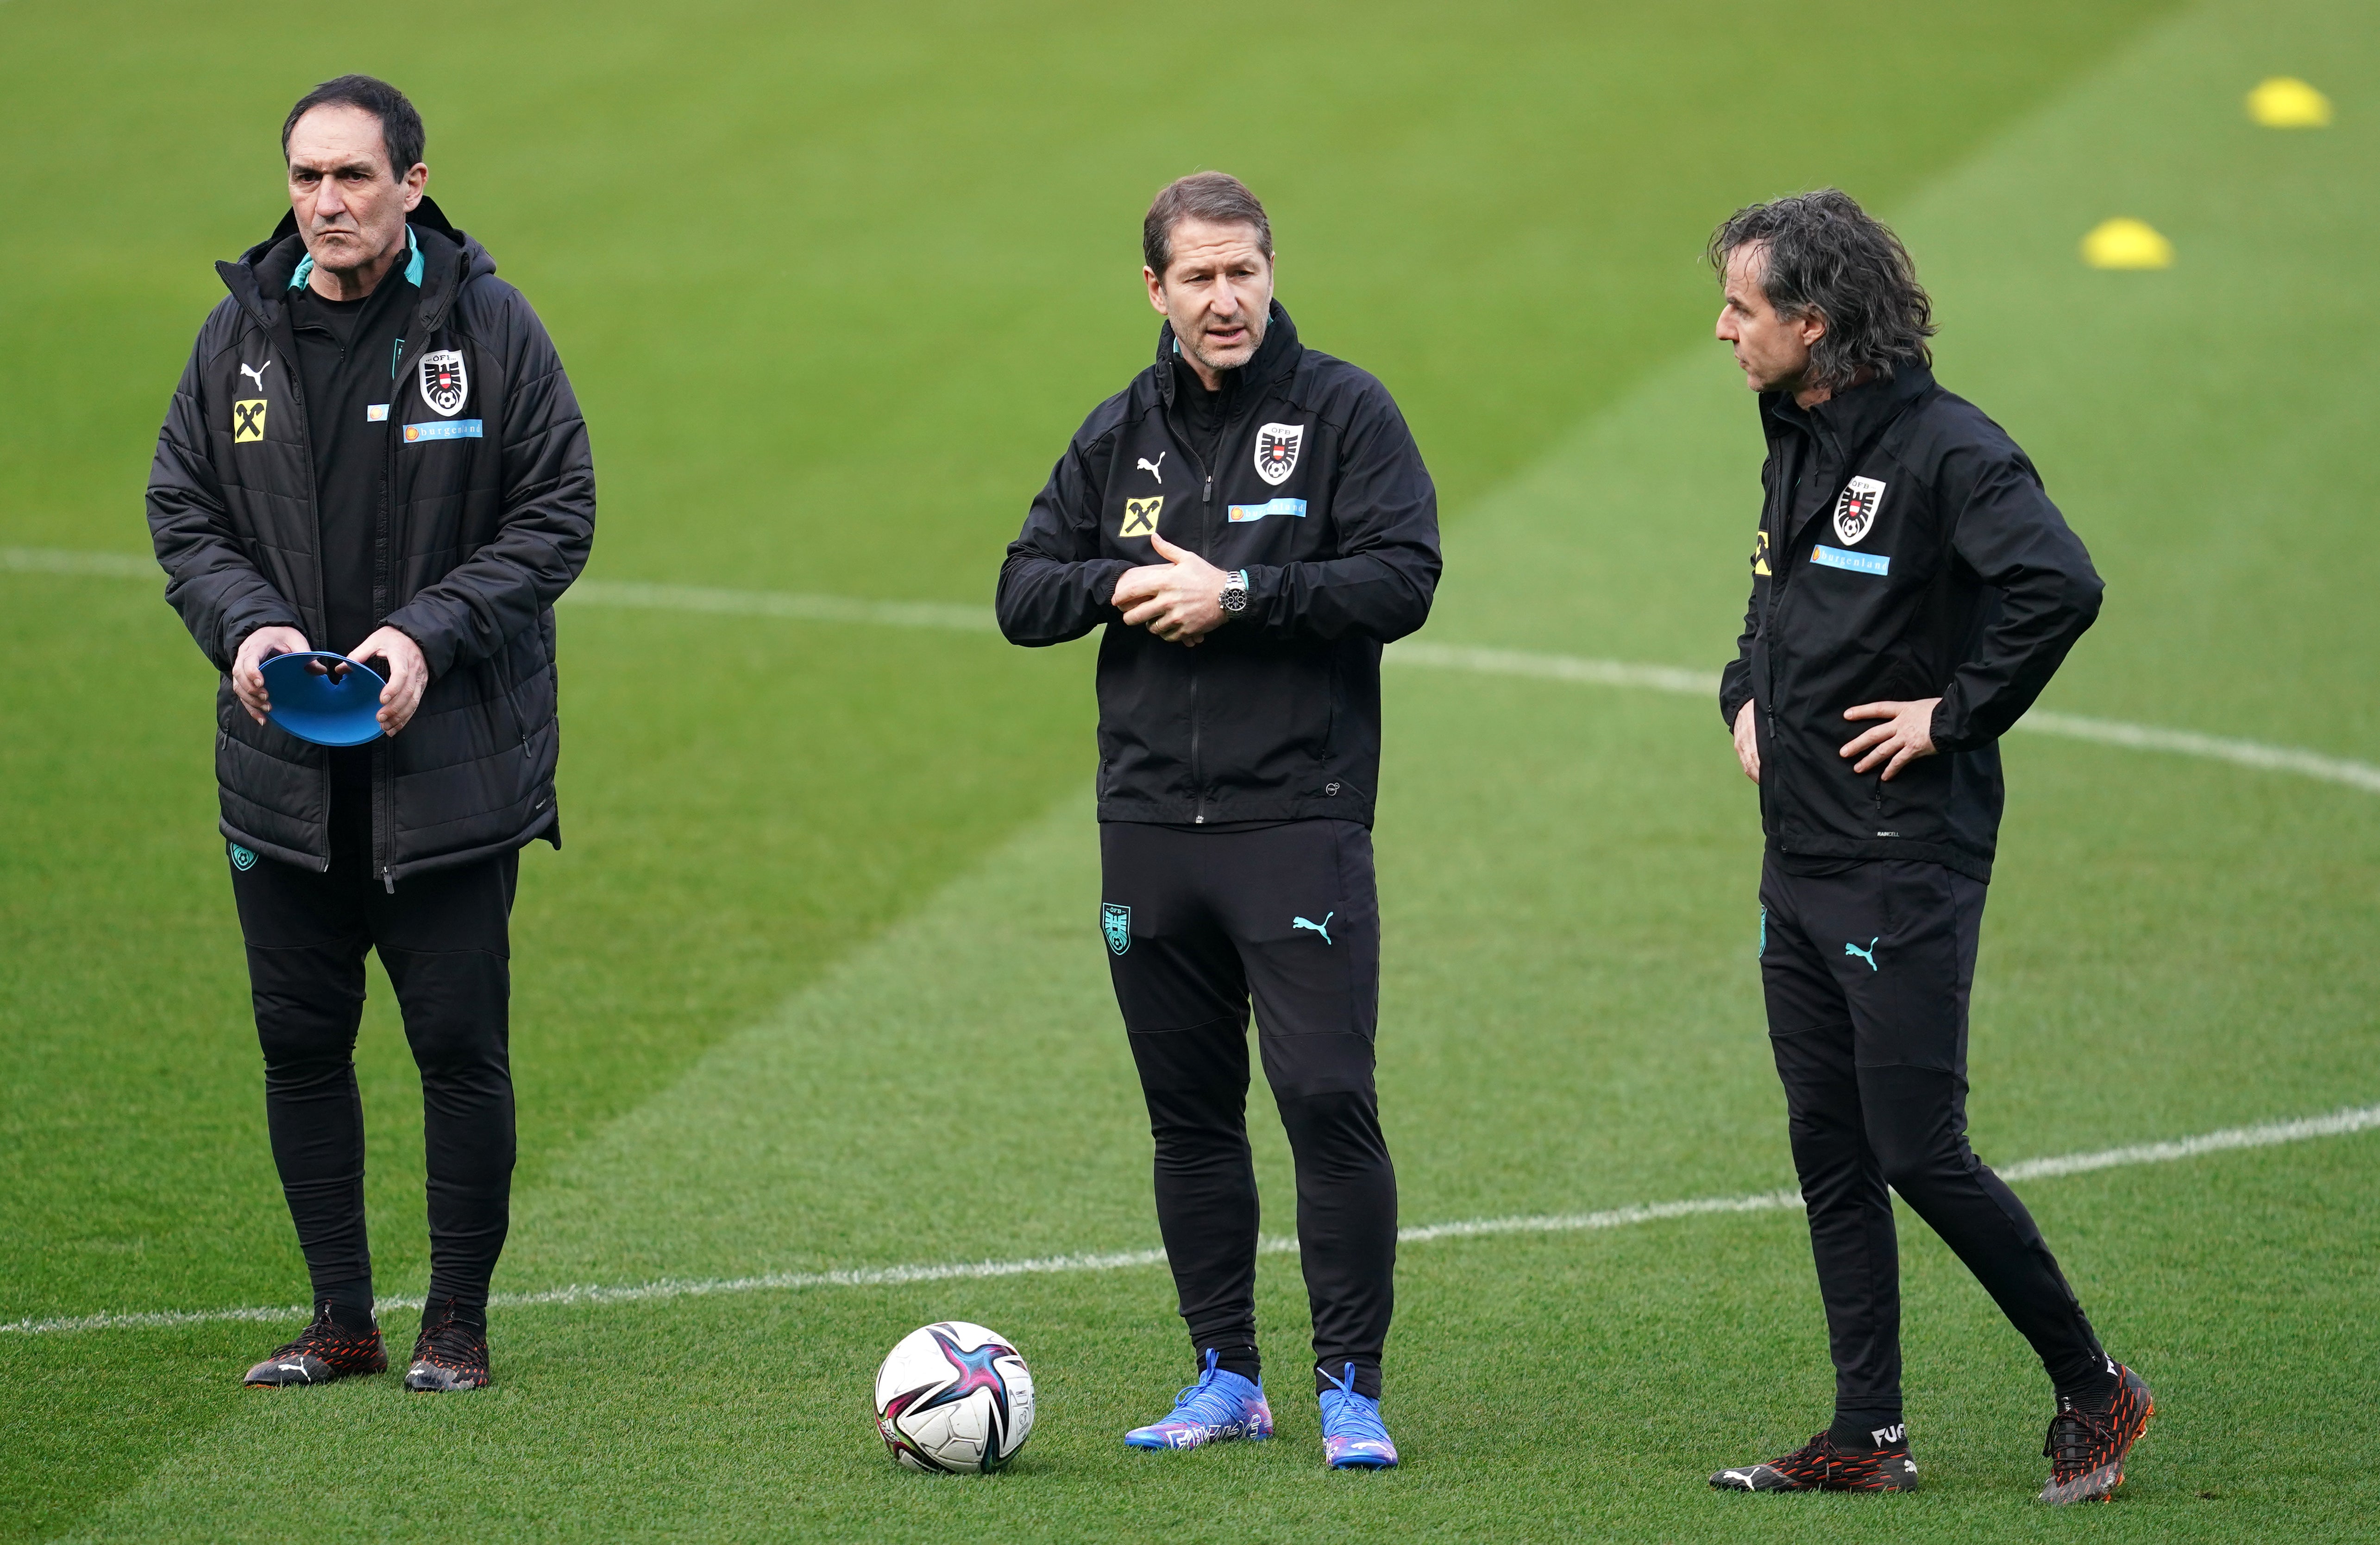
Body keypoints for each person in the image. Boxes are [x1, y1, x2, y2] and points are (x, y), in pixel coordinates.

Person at [145, 75, 594, 1393]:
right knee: (300, 1045)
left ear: (411, 182)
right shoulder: (238, 335)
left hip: (445, 772)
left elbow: (555, 513)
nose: (327, 203)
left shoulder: (491, 329)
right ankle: (340, 1318)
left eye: (352, 177)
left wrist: (423, 637)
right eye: (306, 178)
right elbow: (184, 511)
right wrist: (247, 632)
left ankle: (456, 1324)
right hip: (285, 776)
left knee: (456, 1049)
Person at [1702, 189, 2150, 1504]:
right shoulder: (1794, 433)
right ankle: (1864, 1435)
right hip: (1802, 854)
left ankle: (2094, 1387)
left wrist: (1954, 715)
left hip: (1903, 857)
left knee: (1915, 1148)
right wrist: (1741, 696)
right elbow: (1772, 604)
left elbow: (2057, 583)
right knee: (1829, 1150)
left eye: (1741, 308)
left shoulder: (1952, 452)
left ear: (1813, 320)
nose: (1721, 330)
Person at [997, 172, 1439, 1469]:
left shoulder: (1343, 411)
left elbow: (1403, 576)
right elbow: (1021, 591)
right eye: (1197, 277)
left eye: (1243, 270)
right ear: (1155, 290)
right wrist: (1126, 580)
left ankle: (1348, 1385)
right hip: (1145, 822)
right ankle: (1224, 1377)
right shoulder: (1116, 430)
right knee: (1188, 1114)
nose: (1225, 297)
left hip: (1293, 816)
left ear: (1268, 269)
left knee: (1322, 1094)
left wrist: (1240, 597)